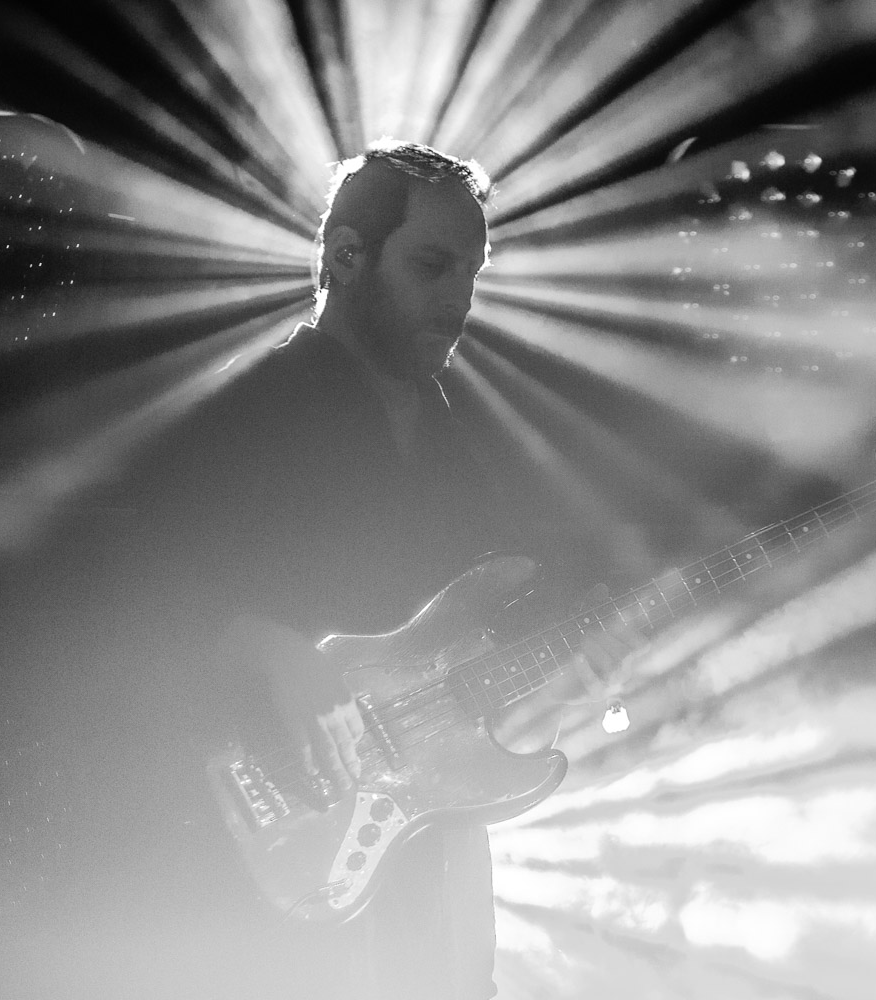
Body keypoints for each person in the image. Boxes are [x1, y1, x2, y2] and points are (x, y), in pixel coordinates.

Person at [208, 140, 639, 999]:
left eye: (471, 273)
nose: (458, 299)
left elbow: (475, 637)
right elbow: (132, 599)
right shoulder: (246, 406)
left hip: (433, 823)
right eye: (433, 266)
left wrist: (575, 679)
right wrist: (269, 646)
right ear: (346, 256)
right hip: (267, 829)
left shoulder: (462, 428)